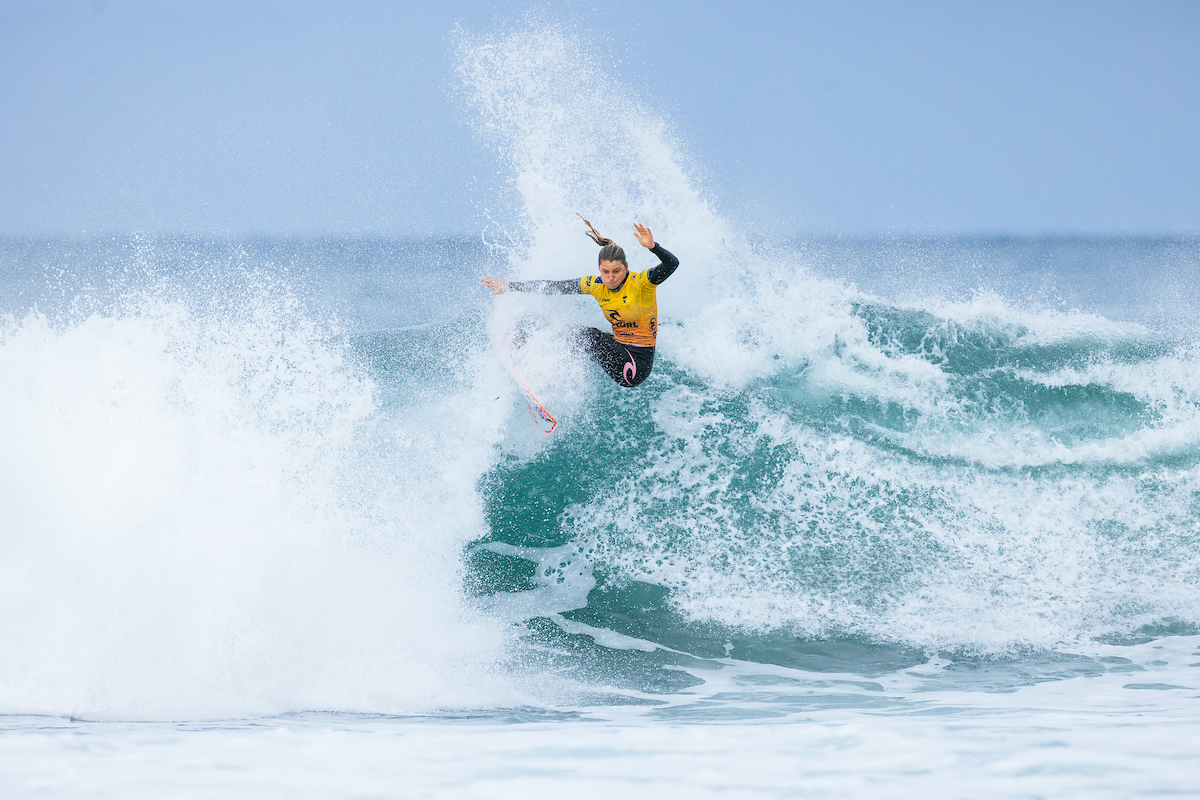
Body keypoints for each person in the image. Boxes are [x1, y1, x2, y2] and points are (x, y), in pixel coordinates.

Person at [480, 218, 679, 388]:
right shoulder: (595, 284)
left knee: (589, 337)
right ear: (599, 269)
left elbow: (672, 264)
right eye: (605, 271)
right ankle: (530, 357)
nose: (610, 277)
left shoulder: (642, 283)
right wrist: (510, 286)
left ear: (626, 268)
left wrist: (654, 247)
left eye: (616, 271)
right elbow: (554, 287)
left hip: (635, 367)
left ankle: (533, 365)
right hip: (619, 347)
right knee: (571, 335)